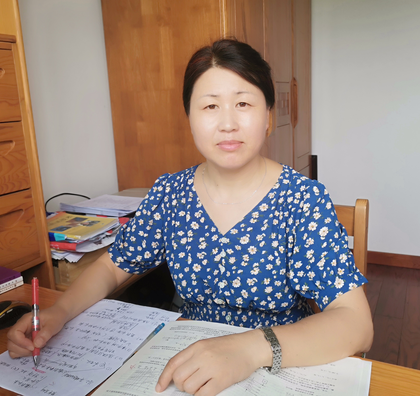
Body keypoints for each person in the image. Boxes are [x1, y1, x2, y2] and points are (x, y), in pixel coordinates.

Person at [7, 39, 373, 396]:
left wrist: (249, 350)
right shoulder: (170, 194)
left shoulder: (302, 199)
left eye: (243, 103)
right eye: (210, 106)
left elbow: (356, 324)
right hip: (189, 363)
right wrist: (60, 312)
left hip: (277, 364)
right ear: (190, 119)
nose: (227, 123)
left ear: (267, 117)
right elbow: (112, 267)